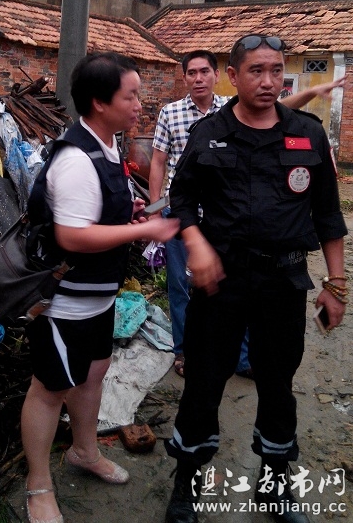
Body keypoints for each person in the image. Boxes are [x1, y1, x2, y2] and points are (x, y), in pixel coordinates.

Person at [164, 35, 348, 523]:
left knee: (277, 383)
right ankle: (186, 484)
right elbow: (181, 200)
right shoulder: (209, 133)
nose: (268, 81)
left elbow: (328, 215)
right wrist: (196, 242)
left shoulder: (307, 134)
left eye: (276, 71)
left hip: (282, 282)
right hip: (220, 283)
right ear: (233, 76)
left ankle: (274, 485)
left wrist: (336, 284)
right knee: (204, 381)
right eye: (256, 71)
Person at [21, 52, 179, 523]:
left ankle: (84, 452)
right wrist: (143, 230)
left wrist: (127, 216)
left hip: (99, 296)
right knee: (50, 388)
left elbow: (95, 216)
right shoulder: (76, 158)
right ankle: (37, 485)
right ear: (99, 102)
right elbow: (72, 235)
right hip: (64, 302)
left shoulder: (107, 146)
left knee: (93, 374)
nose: (139, 104)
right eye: (130, 96)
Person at [149, 49, 344, 378]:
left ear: (219, 76)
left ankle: (241, 359)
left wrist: (312, 92)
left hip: (239, 232)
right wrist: (156, 210)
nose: (198, 78)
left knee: (247, 316)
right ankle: (184, 350)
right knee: (182, 286)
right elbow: (158, 162)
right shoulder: (172, 113)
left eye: (204, 71)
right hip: (186, 218)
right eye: (192, 73)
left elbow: (277, 106)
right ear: (185, 78)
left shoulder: (230, 106)